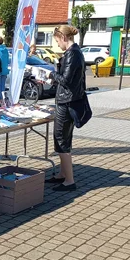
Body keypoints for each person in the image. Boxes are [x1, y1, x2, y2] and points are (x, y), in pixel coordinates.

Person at [47, 25, 86, 192]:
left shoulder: (73, 54)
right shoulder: (73, 53)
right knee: (61, 139)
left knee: (61, 140)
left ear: (63, 37)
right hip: (66, 100)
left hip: (67, 102)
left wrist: (51, 74)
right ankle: (63, 174)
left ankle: (69, 181)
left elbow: (66, 80)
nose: (57, 45)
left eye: (57, 41)